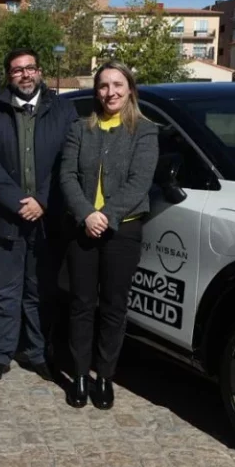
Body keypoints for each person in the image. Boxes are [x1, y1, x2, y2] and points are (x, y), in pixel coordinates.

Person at [0, 48, 78, 383]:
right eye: (17, 70)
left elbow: (68, 160)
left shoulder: (63, 110)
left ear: (40, 71)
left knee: (39, 291)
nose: (25, 75)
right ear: (9, 76)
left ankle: (36, 352)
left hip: (48, 220)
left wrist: (42, 200)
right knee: (4, 291)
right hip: (5, 218)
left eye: (30, 68)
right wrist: (20, 201)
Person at [59, 61, 158, 410]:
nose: (110, 92)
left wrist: (107, 215)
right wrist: (87, 213)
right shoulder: (80, 128)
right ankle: (80, 375)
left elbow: (139, 181)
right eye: (103, 85)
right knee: (81, 305)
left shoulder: (145, 132)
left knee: (114, 308)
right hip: (83, 228)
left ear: (130, 88)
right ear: (96, 90)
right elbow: (67, 176)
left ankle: (105, 376)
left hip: (123, 230)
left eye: (117, 85)